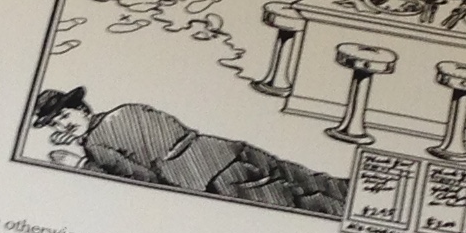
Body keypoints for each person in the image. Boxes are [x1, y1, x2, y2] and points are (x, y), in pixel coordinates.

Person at [32, 86, 347, 215]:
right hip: (222, 148)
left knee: (303, 203)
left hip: (205, 176)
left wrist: (81, 164)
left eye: (64, 117)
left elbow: (143, 180)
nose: (63, 126)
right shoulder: (126, 109)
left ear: (81, 108)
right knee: (312, 180)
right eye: (56, 125)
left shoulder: (95, 146)